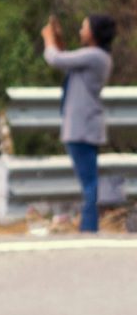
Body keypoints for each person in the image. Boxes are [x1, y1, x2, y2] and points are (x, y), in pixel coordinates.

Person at [42, 13, 115, 232]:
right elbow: (68, 62)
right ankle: (89, 225)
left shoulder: (95, 56)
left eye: (84, 27)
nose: (81, 31)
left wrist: (48, 39)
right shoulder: (95, 57)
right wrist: (58, 41)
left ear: (93, 33)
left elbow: (55, 59)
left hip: (82, 128)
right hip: (84, 126)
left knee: (89, 183)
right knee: (89, 181)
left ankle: (90, 228)